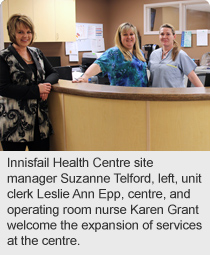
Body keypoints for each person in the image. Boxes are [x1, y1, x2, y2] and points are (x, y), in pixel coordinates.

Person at [0, 14, 59, 151]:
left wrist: (45, 86)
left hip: (40, 121)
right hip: (13, 123)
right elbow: (3, 88)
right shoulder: (3, 56)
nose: (25, 36)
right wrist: (37, 91)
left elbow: (54, 73)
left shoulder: (37, 52)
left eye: (29, 32)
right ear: (12, 33)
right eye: (20, 32)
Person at [73, 22, 148, 87]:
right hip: (122, 97)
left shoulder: (139, 53)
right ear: (120, 37)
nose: (129, 37)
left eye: (131, 34)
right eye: (125, 34)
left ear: (135, 36)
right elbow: (99, 65)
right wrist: (85, 76)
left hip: (141, 97)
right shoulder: (114, 53)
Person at [148, 23, 203, 88]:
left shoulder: (180, 55)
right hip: (156, 96)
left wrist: (204, 94)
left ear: (174, 36)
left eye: (168, 34)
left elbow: (192, 77)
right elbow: (151, 77)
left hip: (174, 96)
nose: (164, 37)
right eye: (162, 34)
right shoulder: (154, 54)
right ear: (159, 36)